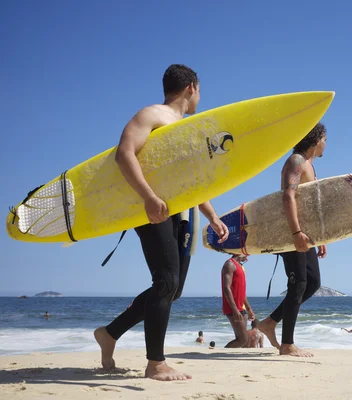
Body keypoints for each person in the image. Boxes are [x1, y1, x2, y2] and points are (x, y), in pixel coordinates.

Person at [94, 64, 229, 381]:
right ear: (191, 88)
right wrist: (149, 197)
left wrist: (212, 216)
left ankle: (110, 333)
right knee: (166, 282)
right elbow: (124, 154)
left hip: (180, 214)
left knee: (172, 289)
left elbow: (190, 184)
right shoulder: (151, 115)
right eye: (200, 91)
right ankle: (155, 363)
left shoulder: (188, 128)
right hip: (150, 209)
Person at [258, 123, 327, 357]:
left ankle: (270, 322)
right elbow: (288, 196)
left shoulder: (310, 165)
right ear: (316, 139)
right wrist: (296, 233)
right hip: (291, 233)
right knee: (298, 284)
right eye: (325, 139)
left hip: (306, 235)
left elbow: (310, 205)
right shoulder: (296, 161)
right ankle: (287, 345)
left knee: (313, 282)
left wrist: (320, 238)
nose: (326, 144)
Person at [221, 254, 254, 348]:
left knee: (241, 339)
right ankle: (222, 353)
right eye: (247, 253)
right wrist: (235, 310)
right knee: (243, 339)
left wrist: (249, 309)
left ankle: (226, 357)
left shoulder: (241, 266)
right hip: (233, 307)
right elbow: (226, 288)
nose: (248, 256)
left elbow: (242, 292)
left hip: (241, 307)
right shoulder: (230, 264)